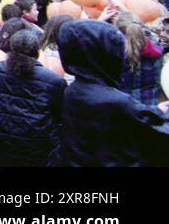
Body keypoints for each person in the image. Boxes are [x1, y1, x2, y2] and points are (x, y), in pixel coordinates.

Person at [56, 19, 169, 166]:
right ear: (103, 53)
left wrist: (155, 112)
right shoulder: (114, 100)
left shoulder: (74, 89)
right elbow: (160, 136)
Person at [0, 24, 65, 166]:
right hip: (38, 151)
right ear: (37, 52)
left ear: (11, 49)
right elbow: (60, 116)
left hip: (3, 146)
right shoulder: (53, 80)